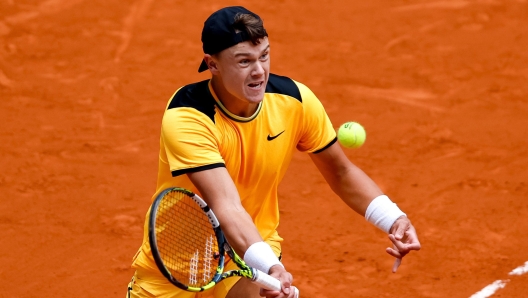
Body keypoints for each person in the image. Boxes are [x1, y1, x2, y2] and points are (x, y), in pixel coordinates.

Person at [127, 6, 421, 298]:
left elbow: (341, 171)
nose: (259, 71)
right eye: (244, 61)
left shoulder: (294, 101)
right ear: (212, 64)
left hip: (251, 251)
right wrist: (270, 265)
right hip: (177, 265)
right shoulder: (189, 115)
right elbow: (226, 205)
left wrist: (393, 218)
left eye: (264, 56)